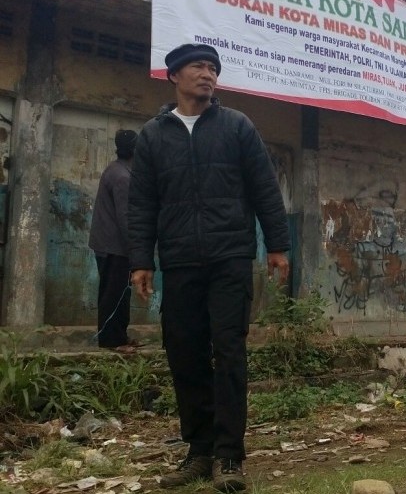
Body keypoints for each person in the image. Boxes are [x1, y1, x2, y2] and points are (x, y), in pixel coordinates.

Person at [128, 43, 290, 491]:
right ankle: (199, 452)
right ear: (174, 76)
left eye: (213, 68)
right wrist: (141, 259)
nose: (207, 74)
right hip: (179, 262)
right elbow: (142, 203)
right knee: (185, 354)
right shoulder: (153, 136)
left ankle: (229, 457)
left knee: (230, 353)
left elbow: (264, 188)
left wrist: (277, 245)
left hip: (230, 258)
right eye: (197, 67)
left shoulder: (237, 126)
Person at [89, 129, 138, 354]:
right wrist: (136, 249)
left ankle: (119, 335)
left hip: (108, 244)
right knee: (115, 294)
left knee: (117, 292)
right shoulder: (123, 177)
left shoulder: (115, 169)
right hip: (115, 247)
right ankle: (112, 340)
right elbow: (126, 217)